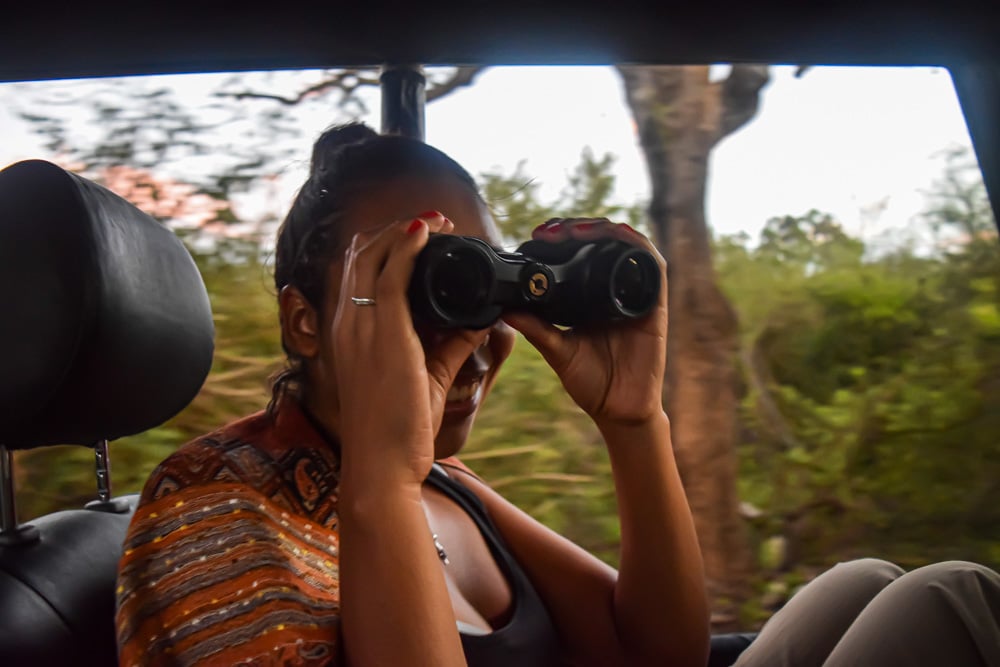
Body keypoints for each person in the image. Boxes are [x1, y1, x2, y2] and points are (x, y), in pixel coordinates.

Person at [115, 122, 1000, 667]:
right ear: (305, 322)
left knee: (866, 581)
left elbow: (657, 654)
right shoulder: (210, 508)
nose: (476, 337)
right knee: (950, 603)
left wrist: (634, 422)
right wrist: (382, 483)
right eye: (420, 285)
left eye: (479, 285)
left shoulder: (441, 483)